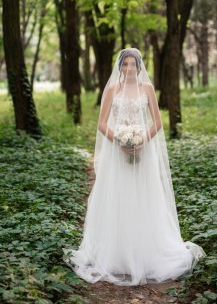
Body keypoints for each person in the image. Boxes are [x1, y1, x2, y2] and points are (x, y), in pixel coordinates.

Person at [63, 47, 206, 286]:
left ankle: (146, 251)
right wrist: (119, 140)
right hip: (116, 154)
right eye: (125, 64)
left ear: (139, 67)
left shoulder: (147, 89)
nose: (129, 68)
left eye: (133, 64)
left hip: (143, 152)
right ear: (120, 67)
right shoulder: (112, 89)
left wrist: (141, 141)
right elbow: (101, 124)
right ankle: (117, 254)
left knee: (144, 198)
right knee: (118, 197)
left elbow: (158, 123)